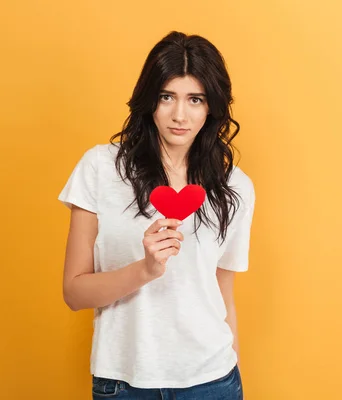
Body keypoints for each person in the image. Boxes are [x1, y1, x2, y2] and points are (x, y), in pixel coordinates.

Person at [58, 31, 255, 399]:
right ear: (150, 100)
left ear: (211, 105)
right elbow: (74, 292)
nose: (180, 114)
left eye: (195, 99)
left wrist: (234, 375)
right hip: (125, 382)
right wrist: (145, 269)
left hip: (213, 380)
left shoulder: (235, 186)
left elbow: (223, 295)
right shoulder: (101, 168)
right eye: (168, 97)